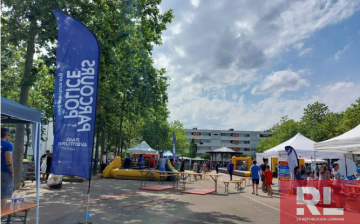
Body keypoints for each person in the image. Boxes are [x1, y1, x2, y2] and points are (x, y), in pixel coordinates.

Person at [1, 128, 14, 210]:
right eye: (9, 135)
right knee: (4, 194)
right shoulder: (8, 145)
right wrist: (12, 171)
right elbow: (8, 159)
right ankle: (1, 215)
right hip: (4, 171)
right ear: (6, 135)